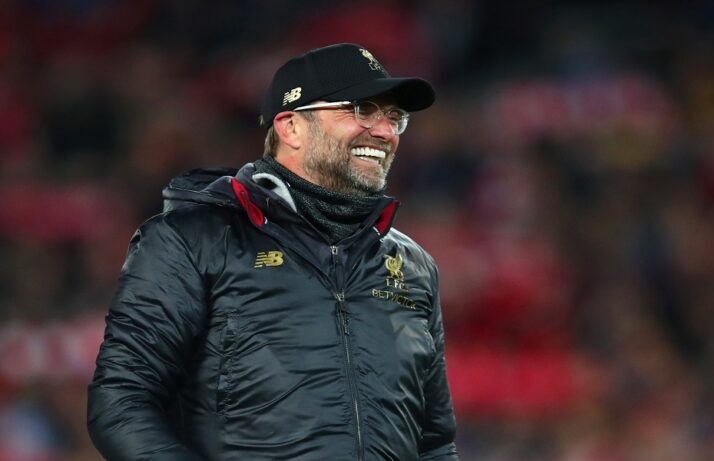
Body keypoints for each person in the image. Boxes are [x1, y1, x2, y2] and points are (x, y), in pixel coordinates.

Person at [87, 43, 459, 461]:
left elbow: (434, 442)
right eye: (362, 110)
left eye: (394, 117)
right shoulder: (192, 240)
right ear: (291, 127)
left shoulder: (413, 266)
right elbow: (122, 400)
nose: (386, 132)